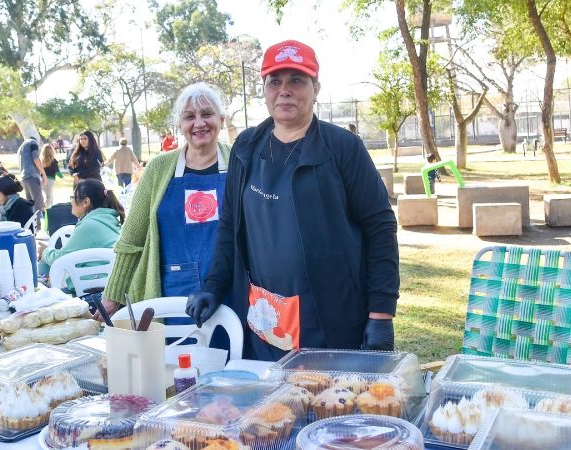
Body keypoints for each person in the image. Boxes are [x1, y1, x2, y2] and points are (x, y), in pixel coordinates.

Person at [185, 40, 399, 361]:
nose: (284, 90)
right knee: (273, 408)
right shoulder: (247, 147)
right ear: (265, 90)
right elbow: (230, 225)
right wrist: (214, 286)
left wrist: (381, 312)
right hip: (265, 316)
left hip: (330, 315)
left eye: (296, 80)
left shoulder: (342, 148)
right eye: (275, 81)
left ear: (316, 87)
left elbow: (379, 228)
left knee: (328, 403)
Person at [100, 82, 231, 317]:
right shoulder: (159, 168)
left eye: (207, 114)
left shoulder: (239, 161)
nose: (199, 123)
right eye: (189, 116)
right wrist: (113, 296)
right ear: (180, 125)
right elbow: (132, 238)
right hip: (169, 294)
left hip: (230, 293)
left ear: (221, 119)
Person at [38, 178, 125, 279]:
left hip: (94, 289)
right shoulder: (108, 219)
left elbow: (61, 259)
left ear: (86, 202)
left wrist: (45, 251)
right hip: (106, 284)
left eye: (73, 197)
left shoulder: (89, 226)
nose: (71, 202)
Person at [17, 137, 48, 219]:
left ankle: (32, 227)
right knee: (38, 204)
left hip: (24, 178)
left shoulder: (21, 148)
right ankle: (38, 227)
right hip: (32, 176)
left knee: (30, 204)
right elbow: (36, 158)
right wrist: (43, 173)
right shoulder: (33, 142)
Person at [41, 143, 63, 208]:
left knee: (46, 196)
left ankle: (44, 206)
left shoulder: (41, 161)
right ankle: (48, 210)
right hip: (50, 180)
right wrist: (62, 177)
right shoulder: (53, 161)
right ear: (52, 151)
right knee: (50, 197)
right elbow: (57, 171)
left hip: (42, 180)